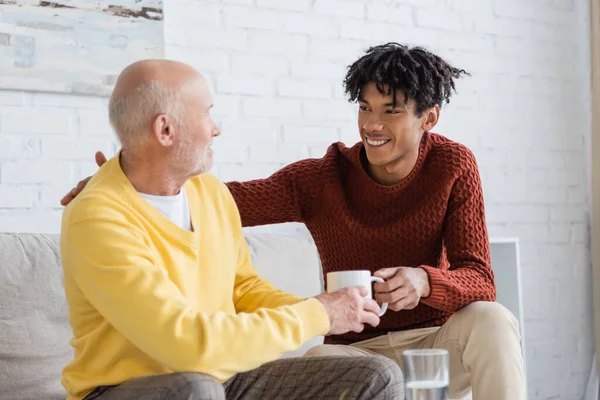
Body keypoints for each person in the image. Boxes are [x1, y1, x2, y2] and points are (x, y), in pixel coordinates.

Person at [62, 43, 526, 399]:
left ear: (429, 118)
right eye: (365, 107)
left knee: (489, 320)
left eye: (391, 110)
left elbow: (480, 278)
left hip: (433, 336)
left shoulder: (453, 165)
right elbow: (234, 204)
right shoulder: (318, 179)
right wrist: (124, 178)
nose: (372, 123)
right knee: (221, 381)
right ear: (165, 130)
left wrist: (422, 283)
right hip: (335, 346)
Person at [59, 59, 403, 400]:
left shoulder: (210, 193)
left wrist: (321, 306)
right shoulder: (98, 217)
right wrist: (318, 315)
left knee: (376, 375)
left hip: (219, 379)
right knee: (196, 388)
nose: (216, 128)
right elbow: (188, 347)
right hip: (123, 390)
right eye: (206, 113)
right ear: (166, 130)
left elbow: (243, 289)